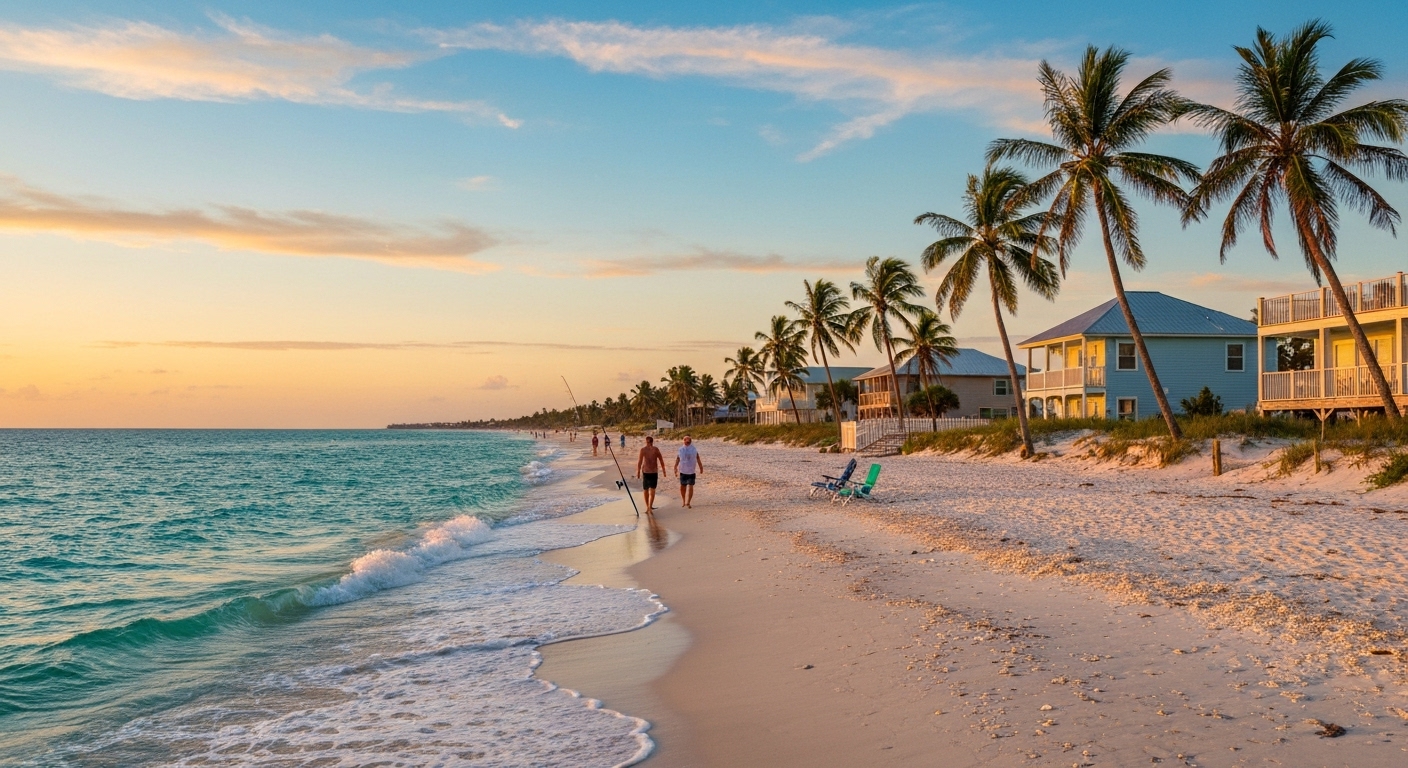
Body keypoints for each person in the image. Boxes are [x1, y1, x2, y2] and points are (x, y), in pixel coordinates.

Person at [635, 435, 667, 513]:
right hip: (648, 471)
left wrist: (664, 470)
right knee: (648, 489)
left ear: (649, 442)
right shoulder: (649, 450)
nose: (647, 443)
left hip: (650, 472)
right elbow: (640, 461)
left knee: (649, 489)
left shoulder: (649, 450)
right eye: (647, 442)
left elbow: (661, 460)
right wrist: (638, 471)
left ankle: (649, 506)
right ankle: (648, 507)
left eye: (648, 442)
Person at [674, 434, 703, 509]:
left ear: (690, 441)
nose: (687, 441)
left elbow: (698, 458)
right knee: (683, 487)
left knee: (690, 486)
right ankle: (684, 501)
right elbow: (678, 458)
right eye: (685, 440)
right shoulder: (681, 449)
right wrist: (675, 467)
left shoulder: (693, 449)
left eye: (688, 440)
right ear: (683, 441)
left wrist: (701, 467)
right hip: (683, 471)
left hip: (691, 471)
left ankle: (688, 502)